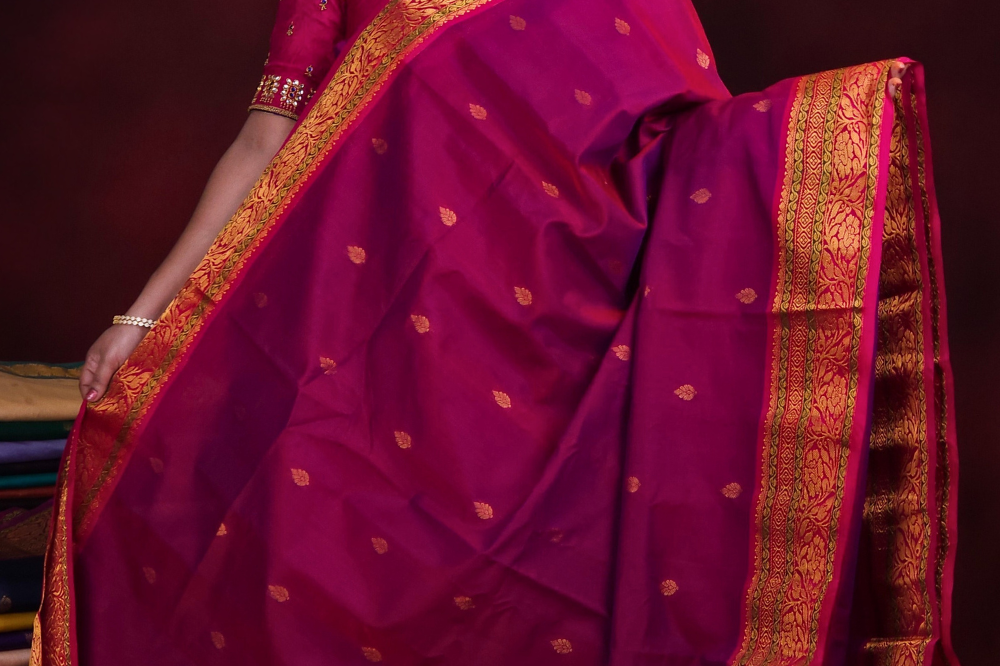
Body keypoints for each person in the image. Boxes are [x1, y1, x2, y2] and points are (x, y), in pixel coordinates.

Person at [34, 0, 960, 664]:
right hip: (353, 353)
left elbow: (684, 143)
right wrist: (144, 314)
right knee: (307, 584)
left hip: (544, 364)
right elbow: (263, 140)